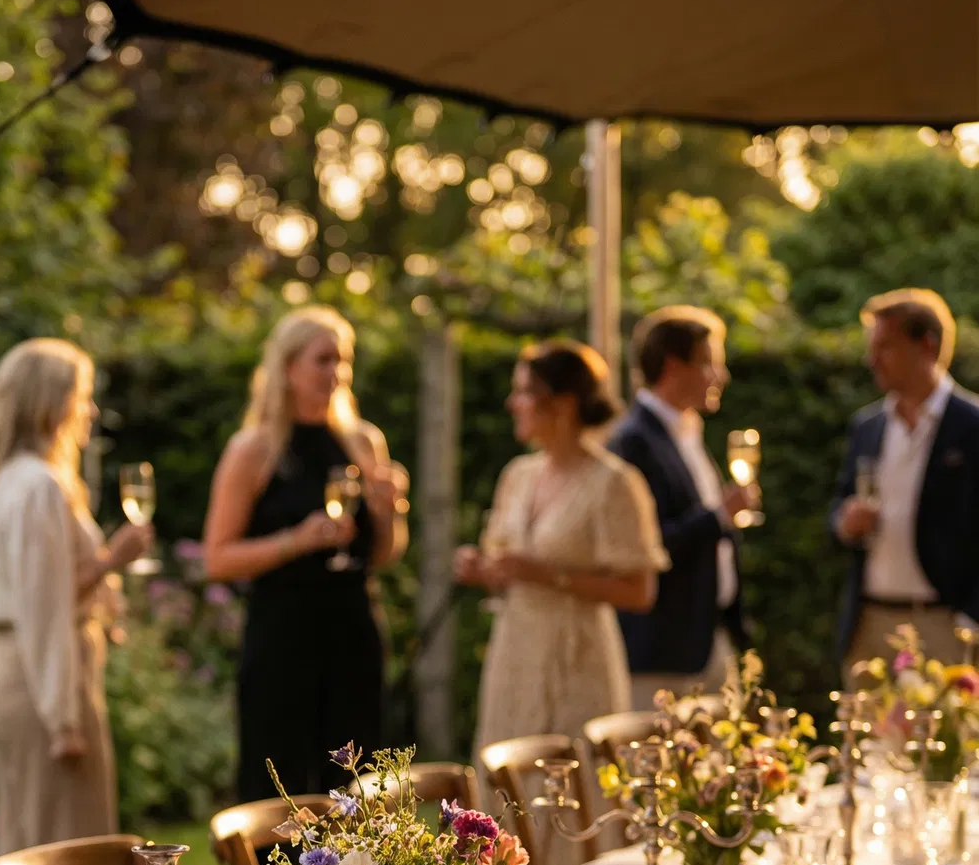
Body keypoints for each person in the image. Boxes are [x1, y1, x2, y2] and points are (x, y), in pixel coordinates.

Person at [0, 338, 153, 865]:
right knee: (63, 863)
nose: (89, 411)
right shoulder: (38, 485)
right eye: (81, 396)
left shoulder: (8, 480)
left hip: (16, 669)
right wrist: (64, 716)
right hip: (42, 678)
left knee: (25, 850)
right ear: (50, 404)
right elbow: (43, 606)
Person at [202, 306, 408, 807]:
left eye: (344, 360)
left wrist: (389, 513)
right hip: (283, 638)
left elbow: (383, 555)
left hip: (353, 631)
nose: (336, 372)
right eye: (323, 359)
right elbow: (217, 559)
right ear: (288, 367)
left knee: (358, 783)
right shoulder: (254, 449)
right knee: (282, 784)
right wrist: (296, 541)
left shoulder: (363, 441)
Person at [455, 340, 665, 814]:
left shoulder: (615, 482)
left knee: (572, 792)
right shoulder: (518, 475)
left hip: (578, 659)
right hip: (515, 655)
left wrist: (547, 574)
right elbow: (507, 567)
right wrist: (483, 570)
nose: (512, 403)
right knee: (504, 785)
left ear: (564, 403)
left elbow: (640, 591)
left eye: (524, 392)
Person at [608, 306, 756, 707]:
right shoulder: (634, 441)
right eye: (711, 363)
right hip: (663, 652)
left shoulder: (687, 431)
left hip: (709, 639)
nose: (721, 377)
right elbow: (647, 545)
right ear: (674, 366)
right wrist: (720, 516)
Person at [830, 288, 979, 671]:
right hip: (869, 624)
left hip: (944, 624)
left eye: (885, 347)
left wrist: (971, 618)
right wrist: (845, 522)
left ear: (927, 346)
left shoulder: (972, 425)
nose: (872, 360)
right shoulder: (867, 426)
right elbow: (839, 505)